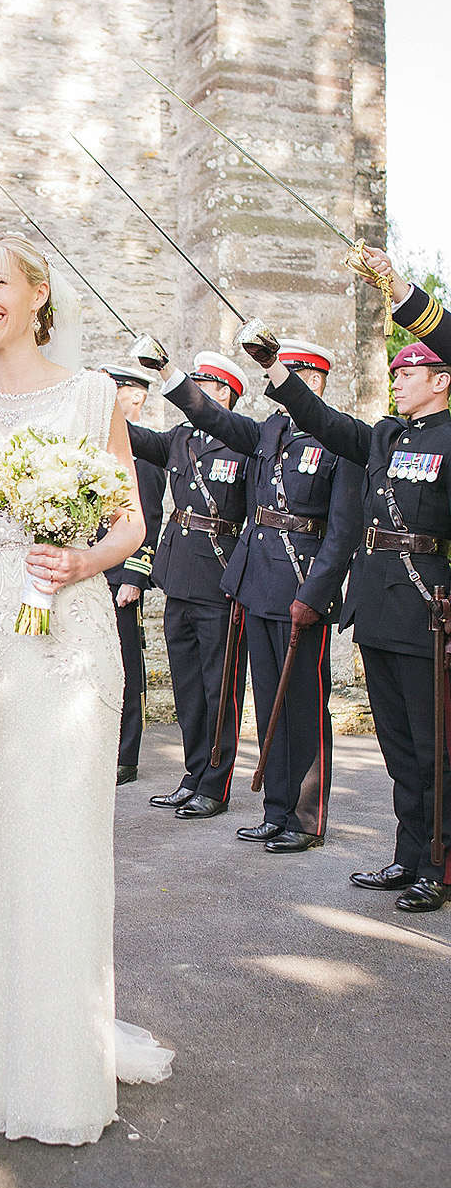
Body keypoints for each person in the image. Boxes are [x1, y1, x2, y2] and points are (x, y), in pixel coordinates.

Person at [0, 234, 173, 1147]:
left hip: (69, 637)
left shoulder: (93, 394)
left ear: (38, 295)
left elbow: (130, 519)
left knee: (62, 841)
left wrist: (84, 559)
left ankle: (62, 1057)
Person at [254, 340, 451, 912]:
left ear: (440, 381)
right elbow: (324, 420)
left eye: (408, 374)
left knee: (433, 748)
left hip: (426, 609)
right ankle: (408, 856)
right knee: (398, 748)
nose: (397, 382)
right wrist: (275, 370)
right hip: (378, 609)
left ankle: (437, 864)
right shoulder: (386, 436)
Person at [155, 341, 364, 852]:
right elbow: (217, 419)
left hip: (301, 585)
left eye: (287, 374)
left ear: (312, 381)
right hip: (257, 582)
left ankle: (307, 818)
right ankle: (277, 809)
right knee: (270, 702)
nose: (276, 383)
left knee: (305, 704)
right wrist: (169, 374)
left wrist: (316, 595)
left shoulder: (341, 439)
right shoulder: (271, 429)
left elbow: (341, 533)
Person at [123, 352, 250, 818]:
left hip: (218, 581)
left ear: (223, 393)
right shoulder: (181, 439)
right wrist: (95, 402)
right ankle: (193, 774)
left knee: (220, 689)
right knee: (188, 689)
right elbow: (136, 439)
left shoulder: (243, 442)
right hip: (179, 576)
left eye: (202, 384)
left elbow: (255, 516)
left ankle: (215, 784)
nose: (193, 391)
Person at [100, 360, 166, 785]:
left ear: (136, 397)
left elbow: (151, 519)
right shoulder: (104, 449)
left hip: (121, 577)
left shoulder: (143, 456)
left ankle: (126, 756)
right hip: (95, 572)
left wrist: (134, 576)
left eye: (116, 389)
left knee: (126, 666)